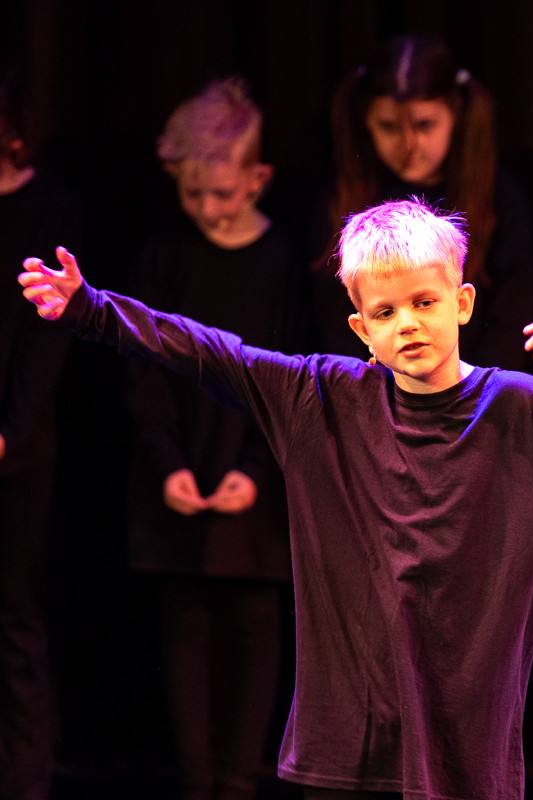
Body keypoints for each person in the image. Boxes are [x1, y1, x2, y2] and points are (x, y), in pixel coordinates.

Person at [18, 198, 533, 800]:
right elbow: (210, 353)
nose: (407, 324)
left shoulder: (525, 412)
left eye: (424, 302)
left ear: (462, 302)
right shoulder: (322, 400)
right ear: (360, 327)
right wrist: (92, 309)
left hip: (465, 757)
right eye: (385, 313)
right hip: (346, 755)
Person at [124, 78, 301, 800]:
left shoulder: (281, 261)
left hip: (255, 467)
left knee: (256, 618)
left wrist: (256, 470)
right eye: (192, 193)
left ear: (258, 178)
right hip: (180, 460)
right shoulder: (165, 256)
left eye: (222, 193)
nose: (206, 208)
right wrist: (167, 462)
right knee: (186, 617)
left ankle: (238, 779)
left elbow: (291, 373)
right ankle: (198, 780)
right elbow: (142, 369)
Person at [311, 34, 533, 370]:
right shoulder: (342, 199)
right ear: (367, 120)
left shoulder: (499, 196)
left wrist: (475, 392)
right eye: (389, 127)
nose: (409, 145)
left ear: (455, 112)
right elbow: (334, 319)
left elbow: (511, 317)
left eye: (425, 125)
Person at [0, 69, 82, 800]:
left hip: (16, 450)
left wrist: (11, 434)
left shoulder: (49, 208)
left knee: (13, 615)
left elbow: (44, 339)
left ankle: (26, 780)